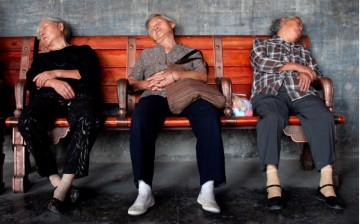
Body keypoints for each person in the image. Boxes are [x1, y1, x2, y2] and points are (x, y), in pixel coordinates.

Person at [127, 13, 226, 216]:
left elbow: (202, 75)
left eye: (158, 23)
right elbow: (131, 82)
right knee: (140, 119)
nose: (154, 28)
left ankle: (207, 189)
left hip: (187, 95)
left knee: (209, 117)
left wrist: (176, 75)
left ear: (171, 24)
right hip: (155, 95)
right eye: (150, 28)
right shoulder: (147, 55)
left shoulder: (190, 52)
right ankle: (144, 190)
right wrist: (146, 83)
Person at [250, 16, 344, 210]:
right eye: (297, 23)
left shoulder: (303, 51)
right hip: (270, 93)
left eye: (302, 25)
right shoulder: (261, 44)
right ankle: (273, 183)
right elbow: (261, 63)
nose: (301, 27)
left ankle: (326, 183)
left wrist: (307, 73)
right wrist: (297, 67)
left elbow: (315, 73)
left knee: (324, 116)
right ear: (282, 24)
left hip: (301, 93)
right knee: (271, 118)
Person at [18, 17, 102, 213]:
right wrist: (52, 83)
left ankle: (64, 186)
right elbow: (32, 81)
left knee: (87, 118)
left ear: (60, 27)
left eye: (45, 27)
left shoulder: (83, 51)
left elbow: (89, 74)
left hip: (80, 95)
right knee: (27, 120)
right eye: (40, 32)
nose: (42, 33)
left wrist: (54, 74)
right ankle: (57, 181)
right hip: (47, 97)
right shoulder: (41, 59)